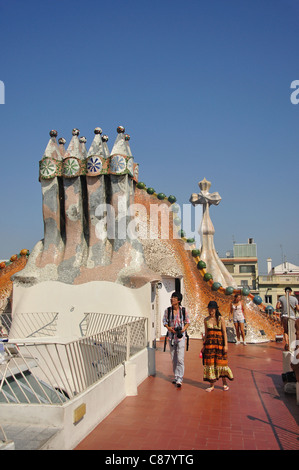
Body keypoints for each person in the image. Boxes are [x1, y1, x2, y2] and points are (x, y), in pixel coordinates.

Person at [201, 300, 233, 392]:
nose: (210, 310)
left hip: (219, 344)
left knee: (221, 363)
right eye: (209, 308)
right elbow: (206, 334)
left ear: (215, 309)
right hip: (210, 345)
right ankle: (212, 385)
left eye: (212, 309)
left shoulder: (220, 319)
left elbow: (224, 333)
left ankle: (224, 383)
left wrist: (226, 345)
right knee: (210, 364)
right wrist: (204, 345)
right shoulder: (206, 320)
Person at [163, 291, 190, 388]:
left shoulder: (183, 310)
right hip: (171, 337)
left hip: (181, 337)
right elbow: (164, 321)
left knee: (180, 358)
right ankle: (176, 375)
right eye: (171, 297)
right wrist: (169, 328)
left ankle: (180, 378)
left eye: (174, 298)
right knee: (173, 357)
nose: (172, 299)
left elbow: (188, 321)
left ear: (178, 300)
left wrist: (183, 329)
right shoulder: (168, 310)